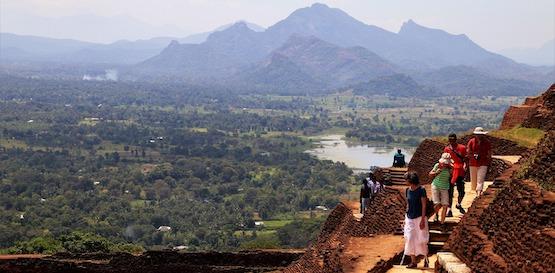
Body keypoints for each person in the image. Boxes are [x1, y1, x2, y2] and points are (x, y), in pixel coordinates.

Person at [403, 172, 429, 269]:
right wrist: (405, 218)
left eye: (406, 180)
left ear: (410, 180)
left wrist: (422, 219)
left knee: (421, 240)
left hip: (419, 217)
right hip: (409, 217)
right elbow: (408, 204)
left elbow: (424, 205)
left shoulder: (421, 190)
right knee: (409, 238)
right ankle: (413, 261)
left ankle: (426, 259)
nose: (405, 181)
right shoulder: (407, 190)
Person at [444, 133, 467, 215]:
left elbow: (465, 159)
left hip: (460, 171)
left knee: (461, 191)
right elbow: (445, 160)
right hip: (451, 172)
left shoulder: (462, 148)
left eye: (453, 140)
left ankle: (459, 204)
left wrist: (465, 166)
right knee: (450, 191)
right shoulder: (447, 149)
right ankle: (449, 209)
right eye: (450, 140)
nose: (452, 142)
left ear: (456, 139)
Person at [429, 153, 453, 230]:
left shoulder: (450, 168)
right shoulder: (437, 165)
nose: (444, 164)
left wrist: (451, 169)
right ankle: (435, 215)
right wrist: (436, 172)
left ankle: (442, 223)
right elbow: (430, 174)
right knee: (437, 204)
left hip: (445, 187)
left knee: (445, 205)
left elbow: (453, 176)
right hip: (435, 185)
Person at [467, 127, 492, 197]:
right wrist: (473, 156)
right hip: (473, 163)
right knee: (474, 181)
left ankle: (479, 192)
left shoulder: (487, 142)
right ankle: (477, 191)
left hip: (483, 163)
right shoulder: (471, 141)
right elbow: (468, 151)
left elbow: (489, 153)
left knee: (480, 179)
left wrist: (488, 161)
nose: (479, 136)